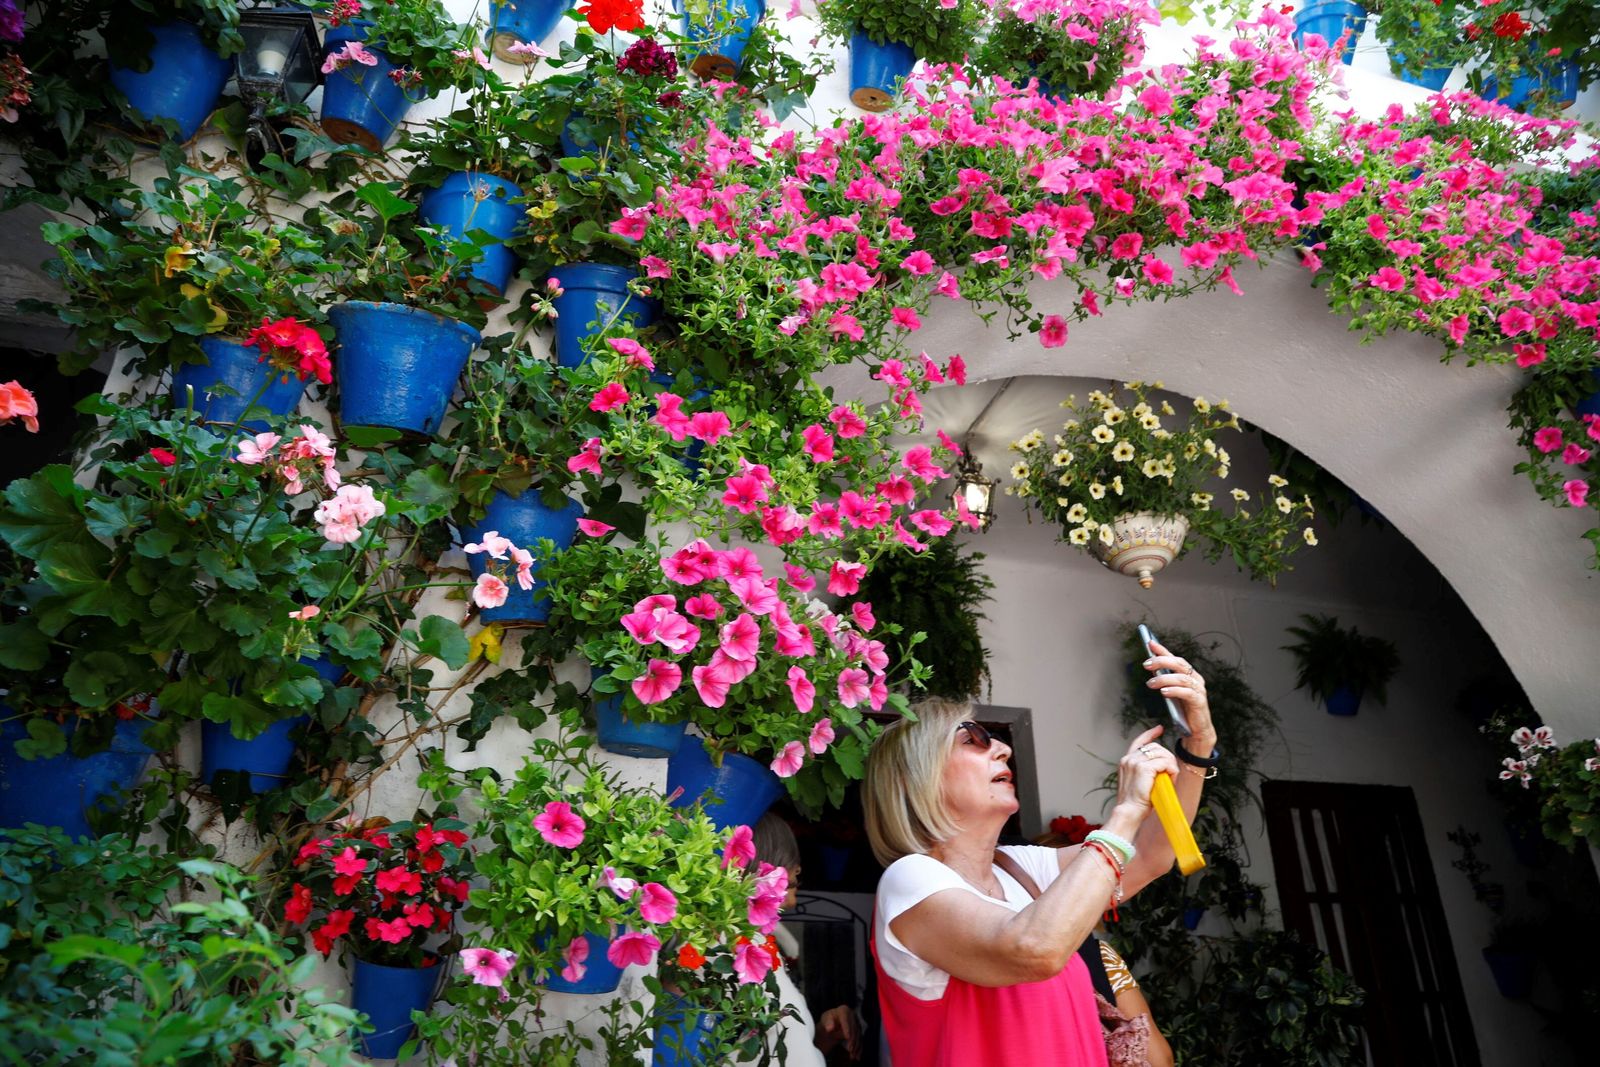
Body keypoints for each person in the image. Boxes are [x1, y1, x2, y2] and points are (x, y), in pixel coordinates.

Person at [863, 641, 1217, 1066]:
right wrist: (1124, 813)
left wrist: (1197, 745)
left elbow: (1147, 856)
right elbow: (1034, 950)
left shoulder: (1020, 869)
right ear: (915, 775)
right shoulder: (910, 880)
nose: (1001, 748)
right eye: (972, 738)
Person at [738, 813, 863, 1065]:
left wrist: (823, 1037)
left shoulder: (756, 949)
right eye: (789, 883)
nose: (792, 901)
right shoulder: (719, 955)